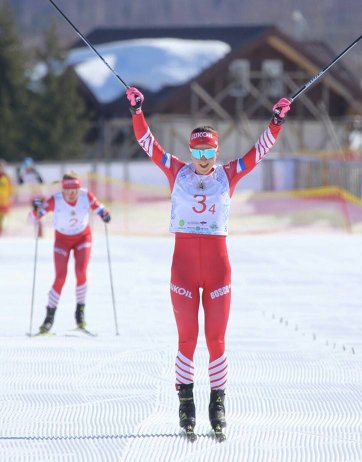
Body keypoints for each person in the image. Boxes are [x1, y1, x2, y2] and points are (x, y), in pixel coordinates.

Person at [126, 85, 291, 439]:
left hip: (218, 271)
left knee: (216, 340)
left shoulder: (228, 175)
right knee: (187, 339)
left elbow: (258, 153)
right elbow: (147, 144)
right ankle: (186, 405)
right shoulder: (177, 172)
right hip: (183, 270)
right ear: (191, 150)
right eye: (198, 150)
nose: (203, 157)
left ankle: (218, 404)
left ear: (217, 150)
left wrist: (275, 121)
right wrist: (138, 112)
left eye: (209, 150)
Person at [32, 172, 111, 334]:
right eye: (68, 189)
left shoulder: (85, 196)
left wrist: (105, 214)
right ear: (63, 189)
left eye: (75, 188)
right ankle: (49, 317)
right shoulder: (56, 200)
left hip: (83, 237)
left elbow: (100, 207)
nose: (72, 193)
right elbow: (35, 217)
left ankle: (80, 314)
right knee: (60, 277)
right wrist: (36, 210)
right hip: (62, 240)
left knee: (81, 272)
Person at [17, 157, 45, 237]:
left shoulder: (35, 173)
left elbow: (41, 181)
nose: (28, 168)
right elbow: (20, 182)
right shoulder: (25, 174)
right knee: (35, 213)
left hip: (39, 196)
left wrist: (37, 174)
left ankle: (40, 233)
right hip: (32, 197)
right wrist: (19, 173)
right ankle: (38, 232)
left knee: (38, 213)